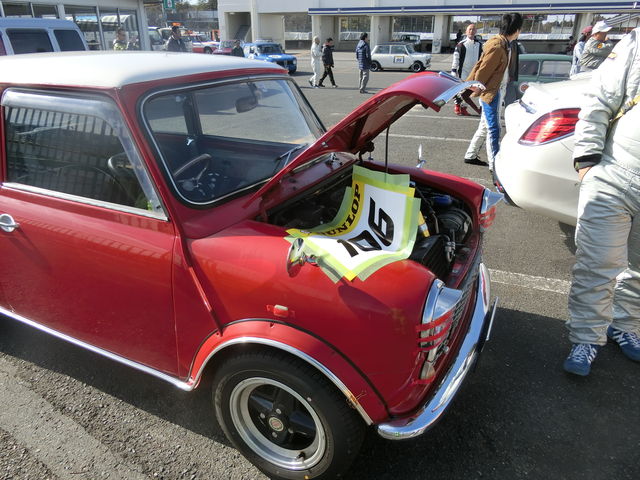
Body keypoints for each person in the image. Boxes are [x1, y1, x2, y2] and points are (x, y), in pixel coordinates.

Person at [563, 28, 640, 376]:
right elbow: (599, 99)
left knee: (639, 268)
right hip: (616, 173)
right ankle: (586, 339)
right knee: (596, 265)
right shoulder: (636, 43)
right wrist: (587, 162)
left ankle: (625, 325)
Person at [463, 13, 522, 169]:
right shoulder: (498, 46)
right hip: (491, 93)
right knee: (494, 129)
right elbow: (483, 71)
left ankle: (470, 155)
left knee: (485, 126)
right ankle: (495, 165)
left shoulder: (505, 44)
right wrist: (476, 89)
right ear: (516, 30)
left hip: (495, 90)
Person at [451, 23, 483, 115]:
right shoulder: (461, 44)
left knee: (471, 92)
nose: (471, 31)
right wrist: (453, 70)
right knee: (461, 90)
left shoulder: (480, 45)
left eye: (473, 29)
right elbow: (456, 58)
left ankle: (464, 108)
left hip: (474, 72)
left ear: (476, 31)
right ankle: (458, 106)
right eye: (470, 29)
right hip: (463, 72)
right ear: (466, 31)